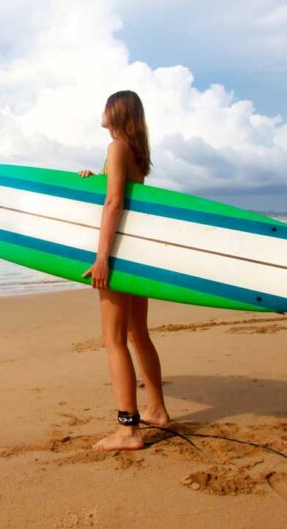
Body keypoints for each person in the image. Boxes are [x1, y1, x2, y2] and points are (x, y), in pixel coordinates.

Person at [79, 90, 171, 451]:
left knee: (114, 340)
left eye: (105, 106)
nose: (100, 112)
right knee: (138, 334)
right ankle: (158, 410)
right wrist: (92, 179)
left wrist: (102, 257)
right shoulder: (134, 151)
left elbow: (115, 202)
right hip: (136, 254)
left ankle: (128, 429)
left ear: (116, 112)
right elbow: (118, 192)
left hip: (116, 253)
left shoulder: (116, 147)